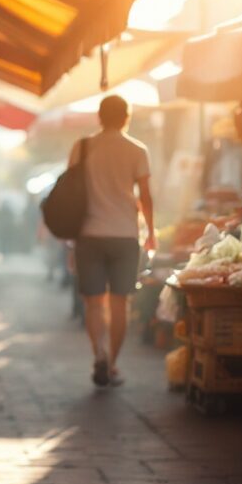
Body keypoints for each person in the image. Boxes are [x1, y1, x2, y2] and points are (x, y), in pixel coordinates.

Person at [69, 95, 155, 387]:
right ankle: (114, 365)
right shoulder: (137, 150)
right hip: (125, 235)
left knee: (94, 304)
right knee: (120, 303)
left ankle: (99, 355)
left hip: (88, 235)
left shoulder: (81, 147)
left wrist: (71, 240)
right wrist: (152, 232)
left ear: (99, 117)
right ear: (126, 117)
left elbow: (71, 195)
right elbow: (145, 197)